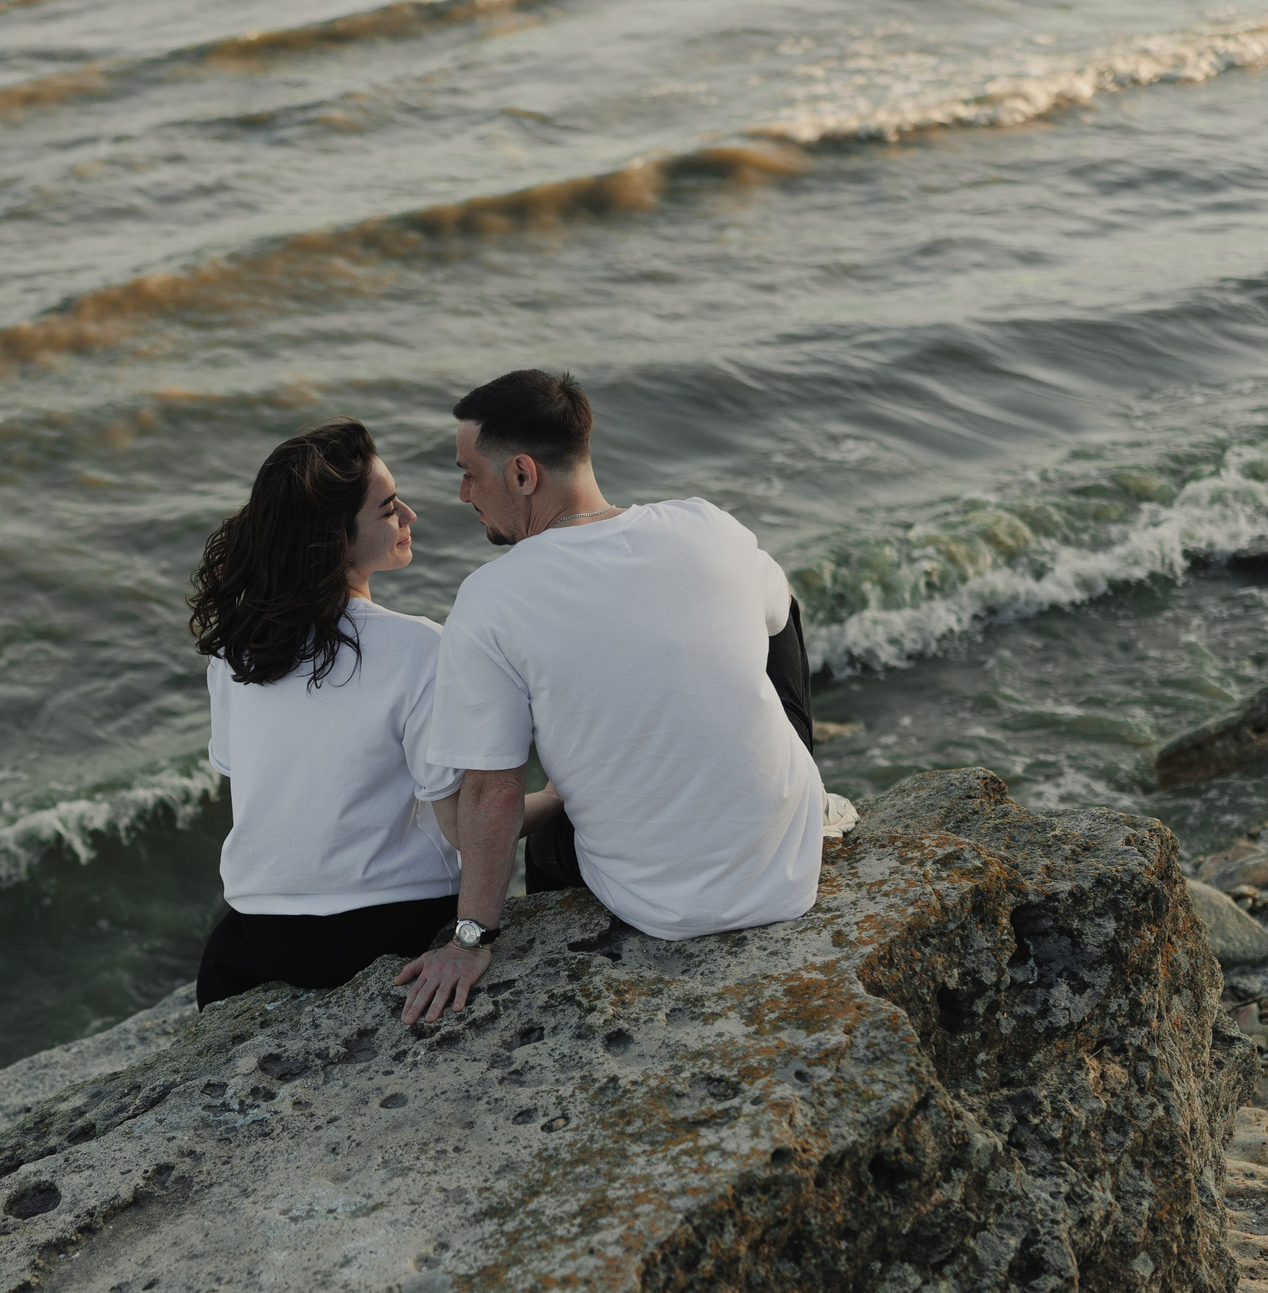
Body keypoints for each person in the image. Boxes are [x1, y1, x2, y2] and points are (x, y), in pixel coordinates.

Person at [394, 369, 824, 1024]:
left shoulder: (492, 599)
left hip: (659, 907)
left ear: (521, 475)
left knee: (548, 842)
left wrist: (470, 937)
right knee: (776, 598)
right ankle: (799, 774)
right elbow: (777, 612)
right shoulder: (705, 525)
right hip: (792, 868)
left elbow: (494, 793)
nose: (460, 493)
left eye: (468, 473)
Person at [188, 419, 467, 1007]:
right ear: (335, 539)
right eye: (389, 509)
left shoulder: (240, 651)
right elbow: (466, 823)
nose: (410, 516)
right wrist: (562, 802)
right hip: (393, 924)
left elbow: (251, 781)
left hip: (263, 932)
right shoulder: (422, 648)